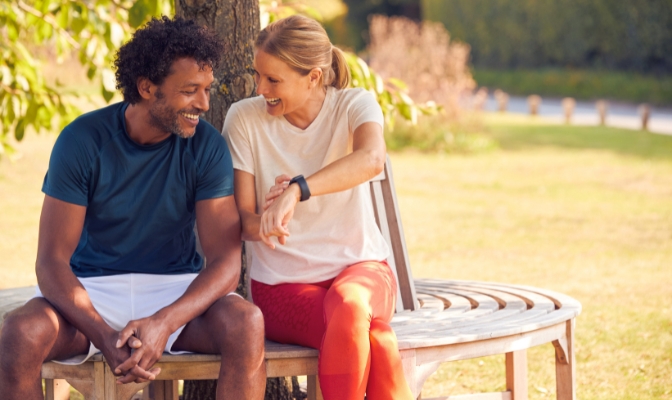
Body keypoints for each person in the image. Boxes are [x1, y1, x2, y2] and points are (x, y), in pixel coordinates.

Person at [0, 16, 266, 399]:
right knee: (19, 332)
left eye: (206, 89)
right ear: (146, 87)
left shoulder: (206, 146)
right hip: (91, 293)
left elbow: (225, 263)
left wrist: (164, 322)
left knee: (246, 323)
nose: (204, 104)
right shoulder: (82, 140)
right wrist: (103, 335)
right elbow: (51, 262)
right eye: (190, 90)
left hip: (174, 292)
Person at [223, 14, 414, 400]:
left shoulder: (353, 105)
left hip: (364, 271)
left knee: (349, 304)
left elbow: (372, 158)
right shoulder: (244, 119)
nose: (260, 88)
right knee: (375, 336)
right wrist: (266, 223)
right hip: (282, 288)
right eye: (258, 75)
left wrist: (298, 190)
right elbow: (244, 222)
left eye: (273, 79)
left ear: (313, 77)